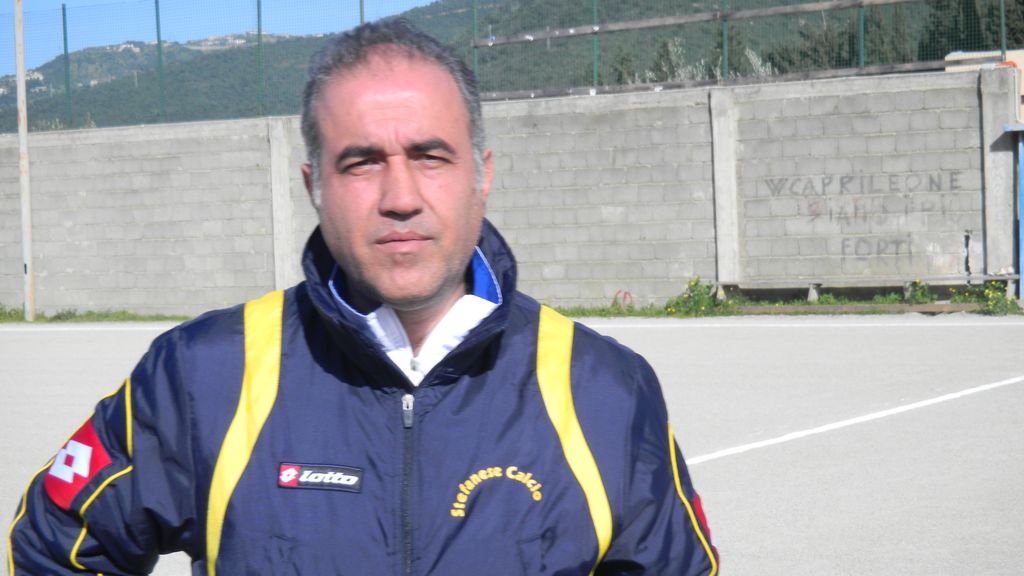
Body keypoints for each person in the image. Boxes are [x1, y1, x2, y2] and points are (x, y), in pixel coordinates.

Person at [8, 19, 718, 575]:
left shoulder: (606, 389)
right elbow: (54, 548)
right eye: (362, 163)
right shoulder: (199, 376)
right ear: (314, 185)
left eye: (430, 156)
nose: (400, 197)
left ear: (482, 175)